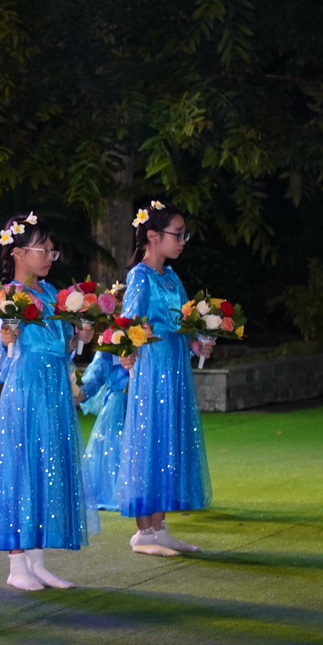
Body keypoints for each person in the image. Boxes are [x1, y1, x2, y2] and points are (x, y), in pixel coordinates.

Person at [0, 212, 95, 590]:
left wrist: (79, 336)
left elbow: (60, 345)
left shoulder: (52, 293)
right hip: (26, 389)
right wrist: (5, 336)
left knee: (48, 466)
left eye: (53, 251)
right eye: (44, 249)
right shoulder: (8, 295)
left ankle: (37, 561)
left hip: (54, 388)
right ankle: (16, 563)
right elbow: (4, 350)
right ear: (19, 252)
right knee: (21, 465)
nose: (50, 257)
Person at [116, 201, 213, 556]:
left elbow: (184, 322)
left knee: (168, 441)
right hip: (152, 369)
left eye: (185, 235)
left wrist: (197, 343)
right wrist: (126, 351)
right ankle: (143, 532)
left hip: (174, 369)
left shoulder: (171, 277)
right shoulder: (140, 276)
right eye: (178, 234)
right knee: (149, 441)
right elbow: (128, 323)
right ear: (154, 236)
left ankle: (159, 528)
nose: (182, 241)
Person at [79, 347, 129, 514]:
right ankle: (116, 492)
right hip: (118, 405)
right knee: (114, 445)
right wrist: (82, 393)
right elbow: (97, 373)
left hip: (143, 402)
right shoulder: (111, 344)